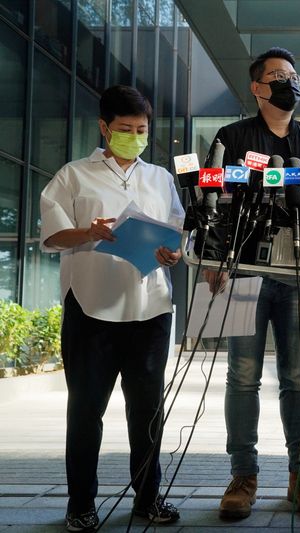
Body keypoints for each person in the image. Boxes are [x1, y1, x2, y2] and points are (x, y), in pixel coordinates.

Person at [202, 47, 300, 519]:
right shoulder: (232, 137)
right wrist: (214, 258)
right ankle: (244, 475)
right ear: (257, 88)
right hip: (244, 272)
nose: (289, 83)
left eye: (294, 76)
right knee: (242, 375)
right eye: (278, 76)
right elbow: (211, 199)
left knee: (297, 376)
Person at [39, 85, 184, 532]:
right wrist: (88, 230)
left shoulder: (160, 177)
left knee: (147, 414)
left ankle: (147, 498)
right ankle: (80, 503)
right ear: (104, 127)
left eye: (142, 129)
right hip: (91, 309)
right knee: (86, 411)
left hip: (150, 309)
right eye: (125, 129)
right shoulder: (74, 175)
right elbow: (51, 237)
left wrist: (173, 254)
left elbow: (178, 233)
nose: (135, 136)